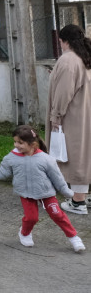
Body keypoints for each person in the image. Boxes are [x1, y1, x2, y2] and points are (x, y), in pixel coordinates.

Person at [0, 125, 84, 253]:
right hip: (26, 194)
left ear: (33, 144)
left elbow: (57, 178)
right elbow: (3, 171)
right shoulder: (12, 157)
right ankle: (24, 233)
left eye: (20, 142)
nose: (16, 145)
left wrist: (66, 191)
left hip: (46, 193)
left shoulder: (46, 159)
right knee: (32, 218)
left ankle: (74, 237)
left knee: (57, 214)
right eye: (15, 141)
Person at [46, 24, 91, 215]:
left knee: (76, 156)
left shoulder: (67, 61)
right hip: (85, 112)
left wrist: (56, 116)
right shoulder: (85, 57)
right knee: (87, 154)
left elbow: (64, 92)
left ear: (63, 41)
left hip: (73, 117)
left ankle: (78, 202)